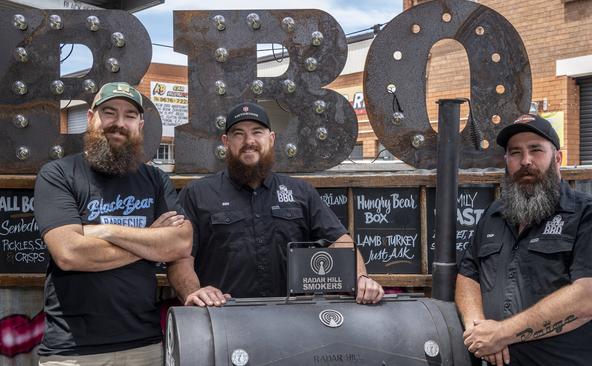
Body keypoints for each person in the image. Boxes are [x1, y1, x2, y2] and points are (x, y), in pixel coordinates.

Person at [456, 114, 592, 366]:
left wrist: (501, 333)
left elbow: (589, 298)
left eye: (536, 150)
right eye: (515, 152)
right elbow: (468, 273)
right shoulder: (494, 215)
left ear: (557, 158)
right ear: (506, 161)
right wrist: (480, 329)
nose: (525, 160)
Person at [34, 82, 192, 365]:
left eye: (130, 115)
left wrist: (106, 231)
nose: (119, 123)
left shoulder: (155, 180)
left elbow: (179, 243)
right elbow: (69, 253)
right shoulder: (58, 174)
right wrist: (150, 241)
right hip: (72, 351)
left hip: (145, 345)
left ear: (140, 125)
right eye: (109, 112)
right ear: (92, 117)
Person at [168, 102, 384, 306]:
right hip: (223, 317)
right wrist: (193, 292)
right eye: (238, 134)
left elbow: (340, 241)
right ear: (226, 142)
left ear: (271, 138)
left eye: (257, 132)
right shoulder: (197, 194)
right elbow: (180, 257)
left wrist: (360, 278)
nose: (248, 141)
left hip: (292, 319)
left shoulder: (301, 192)